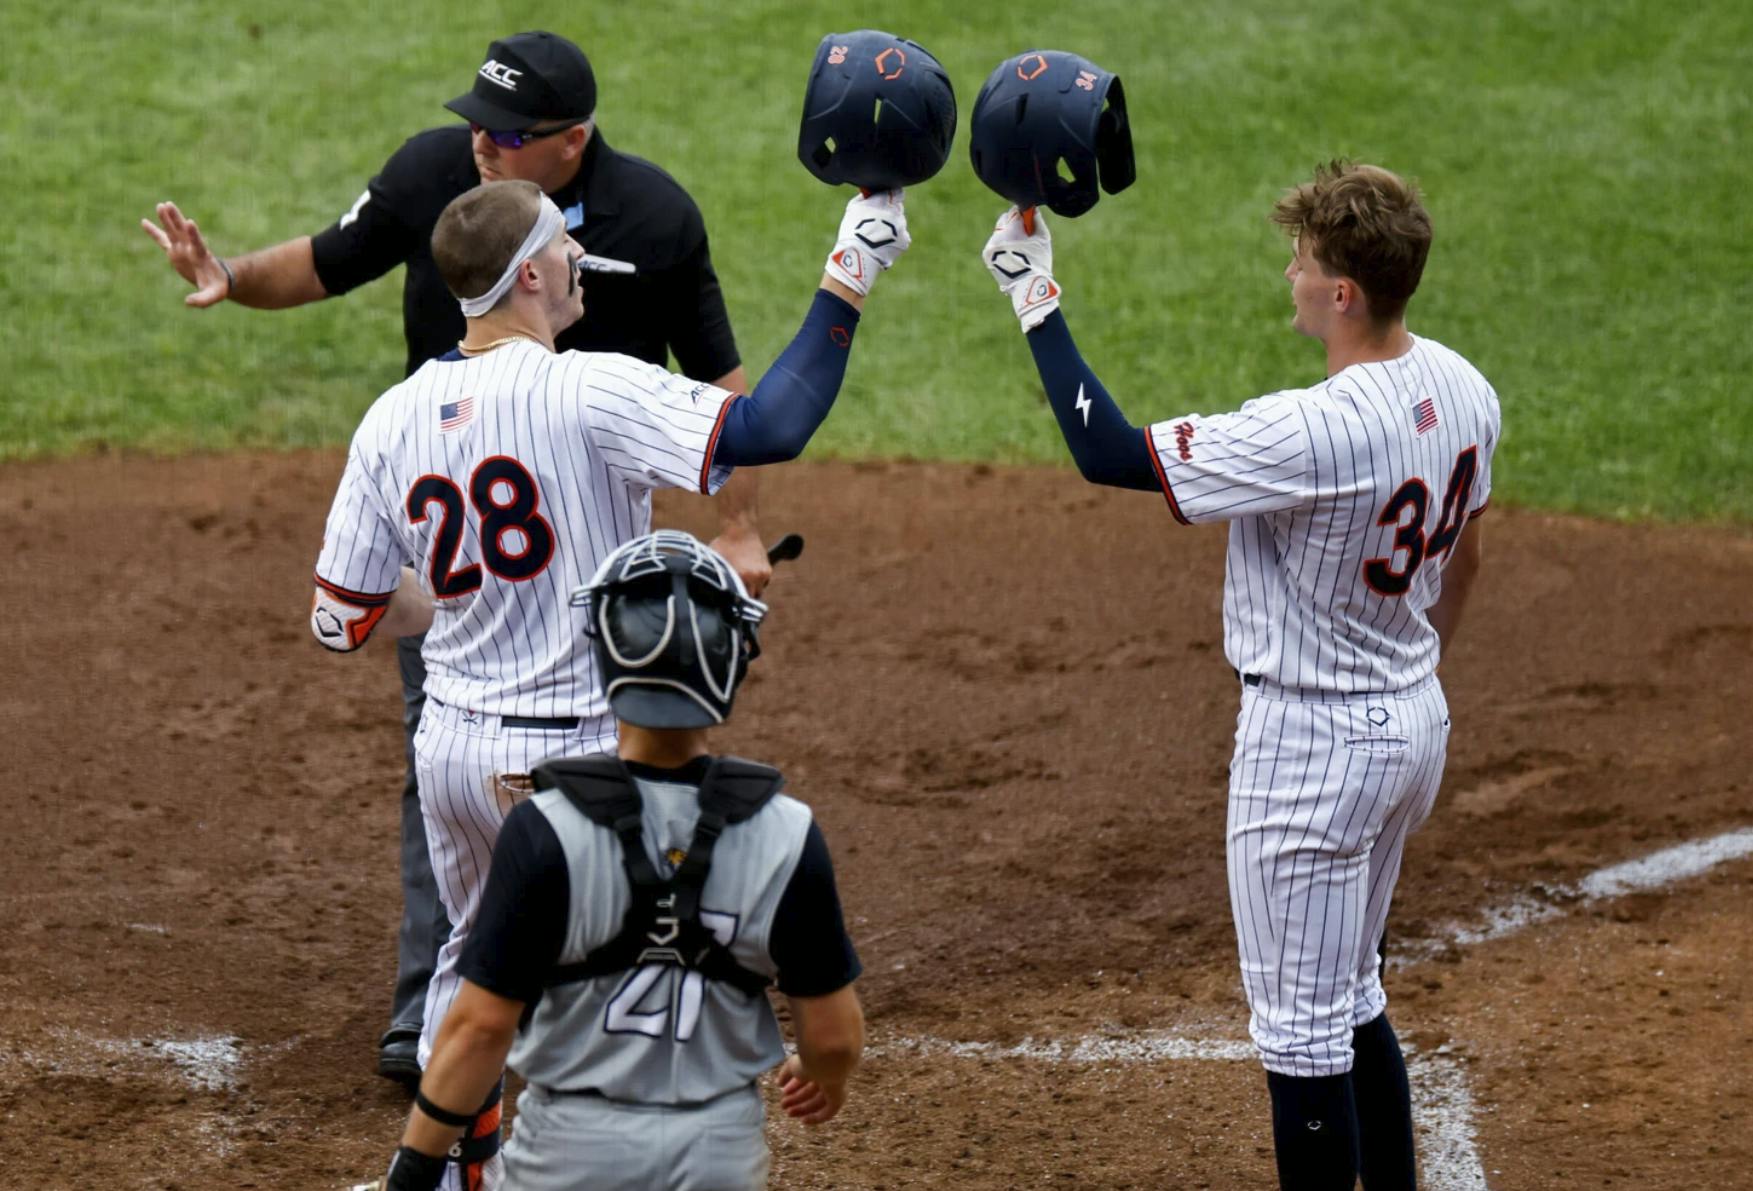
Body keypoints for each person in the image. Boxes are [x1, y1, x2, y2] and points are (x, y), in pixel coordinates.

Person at [142, 30, 772, 1084]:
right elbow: (326, 260)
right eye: (475, 118)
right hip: (465, 551)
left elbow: (721, 379)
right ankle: (437, 1012)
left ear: (571, 142)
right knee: (451, 761)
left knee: (589, 771)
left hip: (595, 568)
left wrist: (740, 525)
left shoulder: (655, 218)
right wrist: (227, 278)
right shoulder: (438, 171)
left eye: (506, 131)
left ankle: (576, 1006)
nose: (479, 141)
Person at [315, 177, 904, 1189]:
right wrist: (853, 266)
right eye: (563, 244)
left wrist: (462, 603)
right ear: (531, 273)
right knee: (604, 992)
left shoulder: (392, 414)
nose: (580, 256)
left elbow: (343, 618)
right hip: (581, 759)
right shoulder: (590, 386)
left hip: (453, 753)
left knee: (474, 968)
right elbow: (769, 427)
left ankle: (451, 1172)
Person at [980, 161, 1500, 1189]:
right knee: (1351, 997)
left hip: (1309, 754)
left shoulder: (1311, 432)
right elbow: (1468, 558)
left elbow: (1108, 451)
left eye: (1303, 263)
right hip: (1411, 719)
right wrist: (1406, 657)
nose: (1290, 274)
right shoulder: (1463, 386)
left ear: (1342, 294)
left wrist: (1032, 295)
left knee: (1303, 1040)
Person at [357, 531, 863, 1191]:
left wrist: (411, 1171)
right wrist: (822, 1076)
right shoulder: (787, 833)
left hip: (570, 1155)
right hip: (717, 1156)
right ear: (732, 661)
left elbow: (480, 1028)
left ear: (602, 655)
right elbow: (834, 1037)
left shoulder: (543, 828)